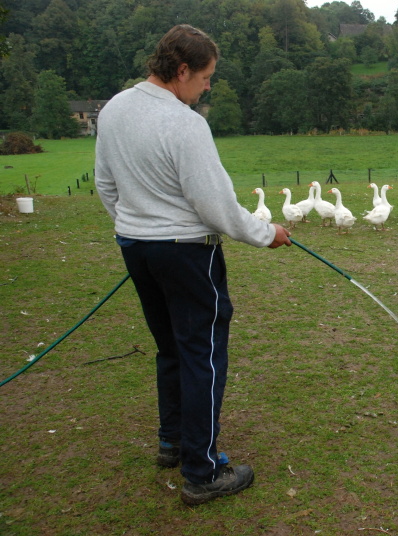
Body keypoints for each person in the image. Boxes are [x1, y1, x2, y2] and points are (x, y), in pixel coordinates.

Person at [95, 24, 292, 505]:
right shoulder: (185, 124)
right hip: (185, 253)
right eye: (205, 77)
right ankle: (202, 472)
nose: (207, 87)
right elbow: (215, 206)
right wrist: (268, 235)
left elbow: (105, 184)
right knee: (201, 354)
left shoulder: (115, 108)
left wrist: (135, 227)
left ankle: (172, 441)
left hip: (136, 247)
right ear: (181, 70)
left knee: (170, 347)